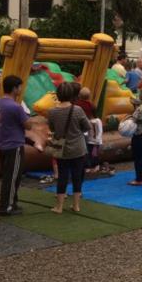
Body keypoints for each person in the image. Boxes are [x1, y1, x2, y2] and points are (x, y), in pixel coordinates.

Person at [47, 82, 91, 214]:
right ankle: (76, 205)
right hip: (78, 147)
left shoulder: (52, 111)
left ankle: (59, 207)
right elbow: (87, 126)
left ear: (58, 95)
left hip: (62, 149)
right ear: (72, 95)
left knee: (62, 176)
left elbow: (52, 128)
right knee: (77, 176)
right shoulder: (77, 110)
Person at [0, 75, 33, 216]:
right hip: (14, 145)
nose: (21, 89)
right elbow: (28, 126)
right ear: (14, 88)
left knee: (8, 176)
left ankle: (11, 203)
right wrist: (28, 117)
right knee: (13, 177)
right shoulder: (16, 107)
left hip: (2, 144)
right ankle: (7, 207)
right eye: (20, 87)